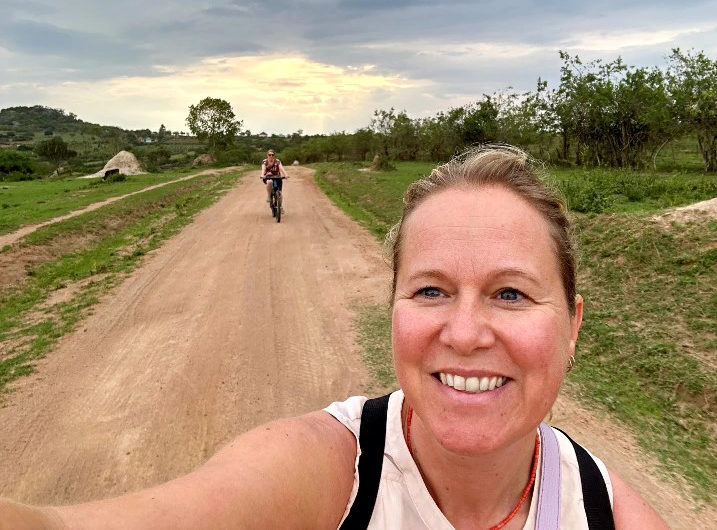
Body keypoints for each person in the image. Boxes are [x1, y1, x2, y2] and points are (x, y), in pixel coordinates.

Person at [0, 145, 669, 529]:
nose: (464, 333)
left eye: (512, 293)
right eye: (431, 290)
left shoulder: (607, 514)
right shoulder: (327, 472)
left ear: (573, 326)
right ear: (394, 309)